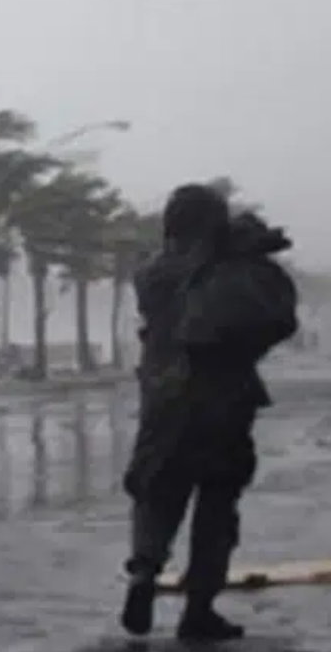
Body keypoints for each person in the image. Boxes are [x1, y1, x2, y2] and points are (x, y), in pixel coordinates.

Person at [119, 184, 299, 641]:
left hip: (162, 399)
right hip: (223, 400)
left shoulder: (153, 274)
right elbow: (274, 316)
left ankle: (144, 571)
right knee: (217, 504)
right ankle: (198, 609)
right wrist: (247, 244)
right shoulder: (231, 268)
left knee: (157, 492)